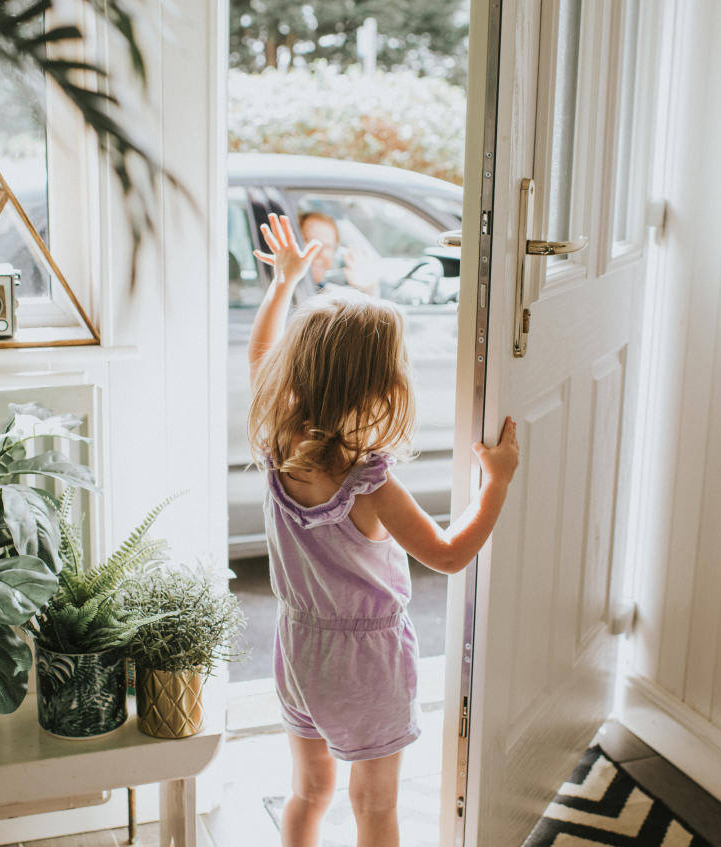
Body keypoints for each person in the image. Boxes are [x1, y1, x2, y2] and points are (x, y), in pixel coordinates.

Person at [247, 213, 520, 847]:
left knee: (308, 789)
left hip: (299, 649)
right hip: (367, 663)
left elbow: (263, 355)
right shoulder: (367, 481)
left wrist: (283, 283)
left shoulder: (277, 440)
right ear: (383, 385)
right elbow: (450, 556)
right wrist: (497, 483)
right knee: (375, 806)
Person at [299, 210, 381, 296]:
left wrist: (368, 288)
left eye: (328, 246)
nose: (320, 252)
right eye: (310, 241)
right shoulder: (287, 288)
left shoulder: (329, 294)